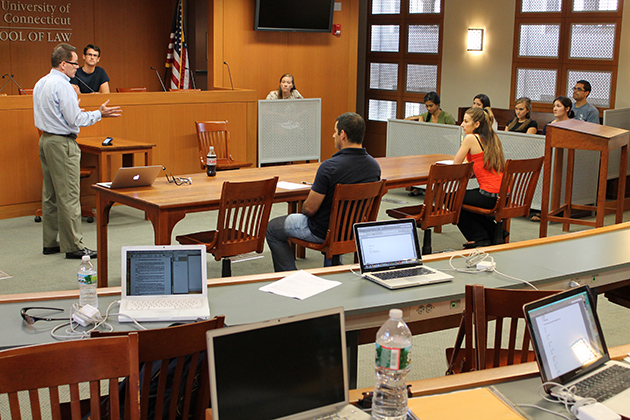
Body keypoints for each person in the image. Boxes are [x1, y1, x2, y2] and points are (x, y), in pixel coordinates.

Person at [34, 43, 122, 259]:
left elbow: (57, 113)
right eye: (74, 64)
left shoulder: (41, 82)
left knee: (51, 195)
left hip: (46, 141)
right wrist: (99, 113)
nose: (77, 68)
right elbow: (76, 120)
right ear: (63, 64)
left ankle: (50, 242)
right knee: (70, 195)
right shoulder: (63, 86)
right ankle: (74, 246)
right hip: (62, 143)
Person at [265, 112, 381, 272]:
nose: (333, 135)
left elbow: (310, 210)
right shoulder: (374, 167)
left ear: (343, 134)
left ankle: (288, 276)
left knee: (272, 228)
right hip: (353, 229)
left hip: (321, 231)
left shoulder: (329, 167)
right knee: (337, 221)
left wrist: (305, 204)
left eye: (335, 131)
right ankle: (333, 271)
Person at [454, 107, 505, 248]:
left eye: (465, 121)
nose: (462, 125)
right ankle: (494, 232)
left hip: (488, 195)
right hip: (503, 193)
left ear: (476, 124)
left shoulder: (471, 138)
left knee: (452, 198)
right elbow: (485, 164)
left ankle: (480, 238)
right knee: (464, 200)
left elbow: (455, 165)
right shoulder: (492, 137)